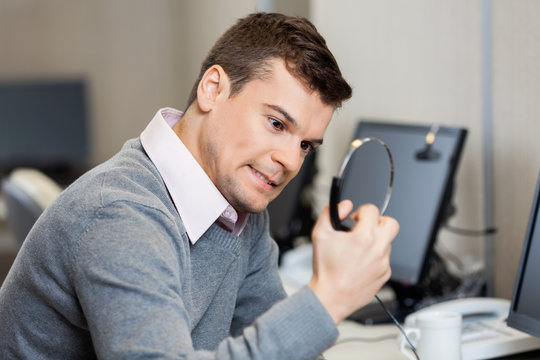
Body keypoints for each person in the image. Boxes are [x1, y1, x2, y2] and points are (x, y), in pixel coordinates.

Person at [0, 12, 398, 359]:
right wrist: (329, 297)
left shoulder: (237, 209)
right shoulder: (119, 214)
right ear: (213, 89)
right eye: (277, 124)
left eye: (306, 145)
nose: (291, 162)